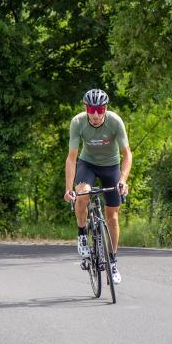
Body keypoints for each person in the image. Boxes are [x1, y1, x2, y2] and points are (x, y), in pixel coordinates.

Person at [64, 89, 132, 284]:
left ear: (105, 109)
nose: (95, 114)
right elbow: (71, 158)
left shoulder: (115, 122)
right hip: (88, 164)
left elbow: (127, 154)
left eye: (99, 109)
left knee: (112, 215)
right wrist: (69, 188)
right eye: (91, 109)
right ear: (86, 108)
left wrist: (123, 180)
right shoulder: (77, 122)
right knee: (82, 194)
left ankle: (112, 262)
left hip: (111, 166)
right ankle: (82, 235)